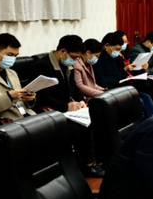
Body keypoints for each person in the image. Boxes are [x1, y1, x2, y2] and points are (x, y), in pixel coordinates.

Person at [30, 35, 103, 177]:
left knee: (94, 118)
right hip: (51, 111)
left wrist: (81, 100)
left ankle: (92, 161)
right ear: (63, 51)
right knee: (77, 129)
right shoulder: (43, 66)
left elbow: (74, 88)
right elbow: (42, 96)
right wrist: (65, 106)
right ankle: (83, 165)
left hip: (68, 110)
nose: (75, 61)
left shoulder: (66, 65)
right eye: (74, 57)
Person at [94, 32, 153, 117]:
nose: (118, 52)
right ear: (107, 46)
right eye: (116, 49)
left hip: (121, 88)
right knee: (139, 101)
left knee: (146, 97)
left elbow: (120, 73)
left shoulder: (115, 57)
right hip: (112, 90)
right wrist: (120, 79)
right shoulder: (99, 59)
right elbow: (101, 79)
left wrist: (127, 77)